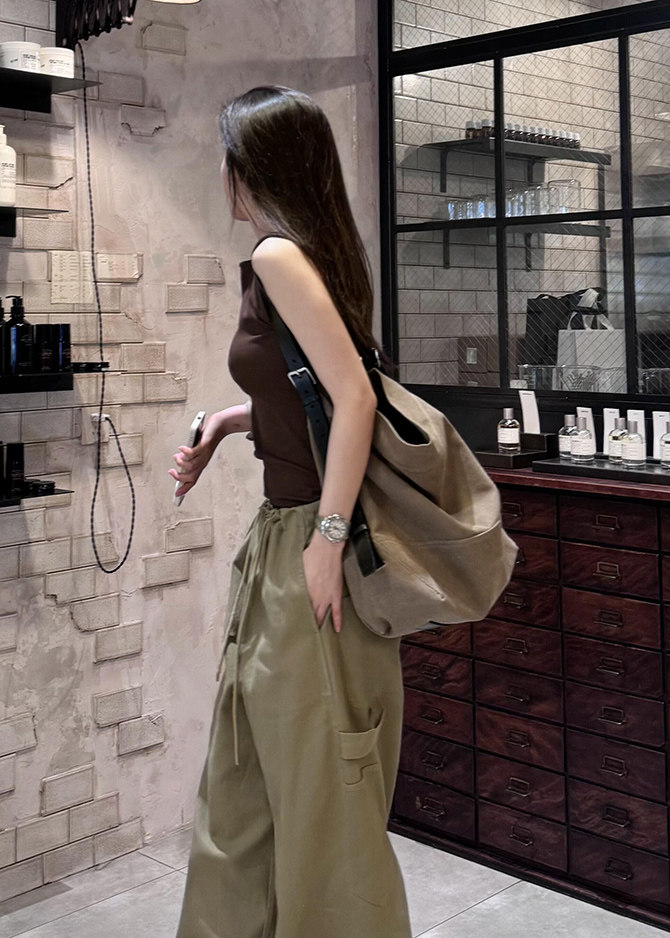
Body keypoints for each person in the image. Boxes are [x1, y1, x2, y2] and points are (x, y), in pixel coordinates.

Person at [169, 85, 413, 938]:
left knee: (315, 807)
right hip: (287, 539)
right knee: (258, 787)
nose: (221, 171)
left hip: (308, 543)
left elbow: (356, 399)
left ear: (253, 166)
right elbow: (314, 393)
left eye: (228, 153)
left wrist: (326, 540)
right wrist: (228, 422)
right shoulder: (311, 253)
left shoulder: (279, 256)